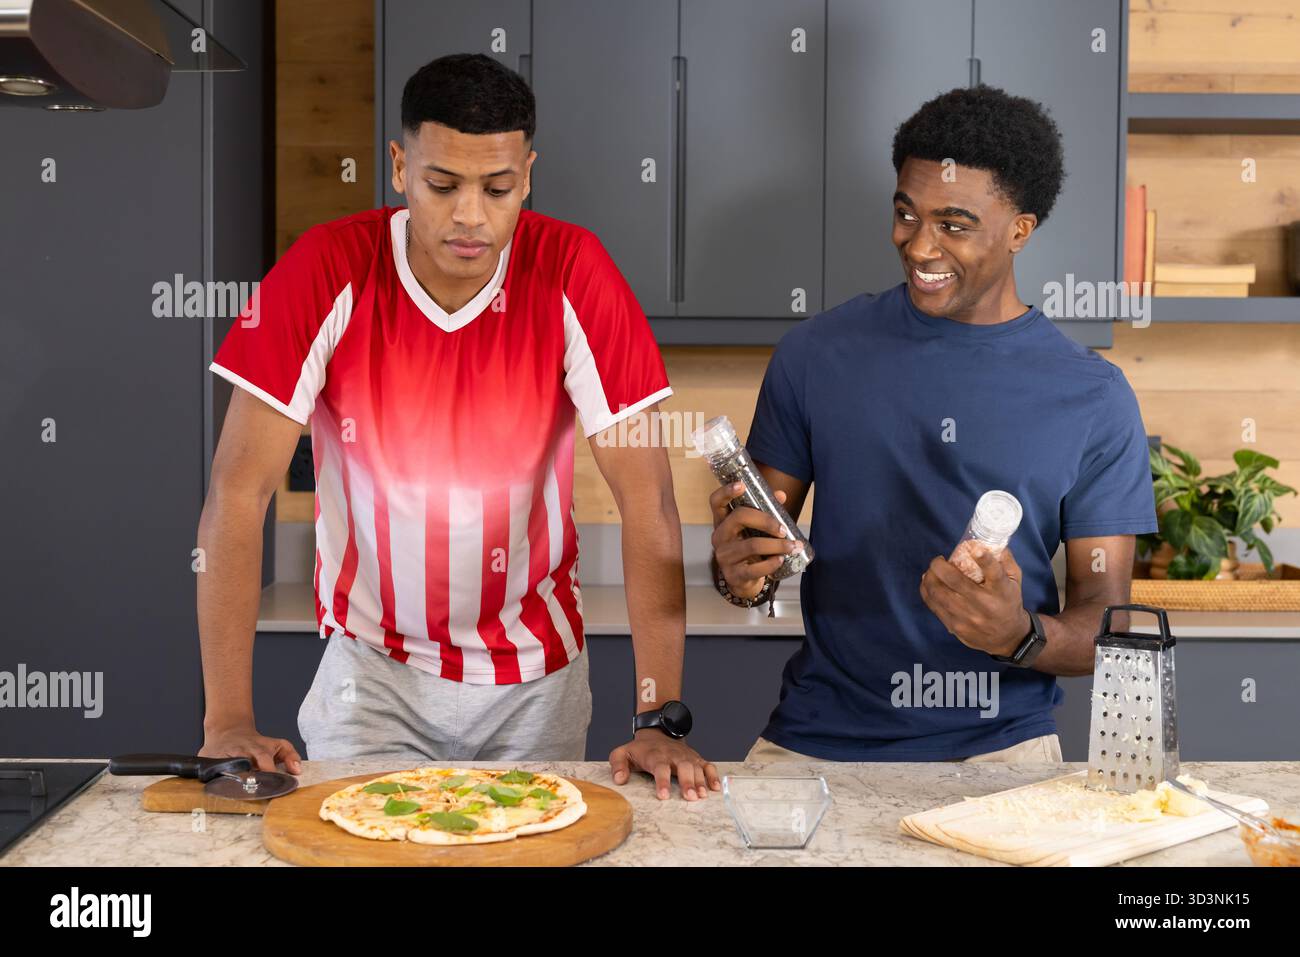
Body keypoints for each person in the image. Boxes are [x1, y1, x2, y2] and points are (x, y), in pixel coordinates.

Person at [199, 54, 718, 801]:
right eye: (443, 185)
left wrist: (658, 718)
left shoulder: (576, 271)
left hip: (537, 684)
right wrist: (228, 718)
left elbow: (651, 506)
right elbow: (238, 494)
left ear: (529, 175)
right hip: (371, 674)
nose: (470, 214)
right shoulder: (325, 268)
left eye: (498, 187)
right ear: (399, 165)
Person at [710, 86, 1158, 763]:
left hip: (1002, 753)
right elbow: (759, 551)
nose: (919, 244)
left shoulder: (1092, 396)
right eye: (905, 213)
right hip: (816, 741)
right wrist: (740, 569)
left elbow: (1107, 623)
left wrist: (1021, 635)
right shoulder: (816, 354)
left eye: (953, 223)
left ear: (1019, 230)